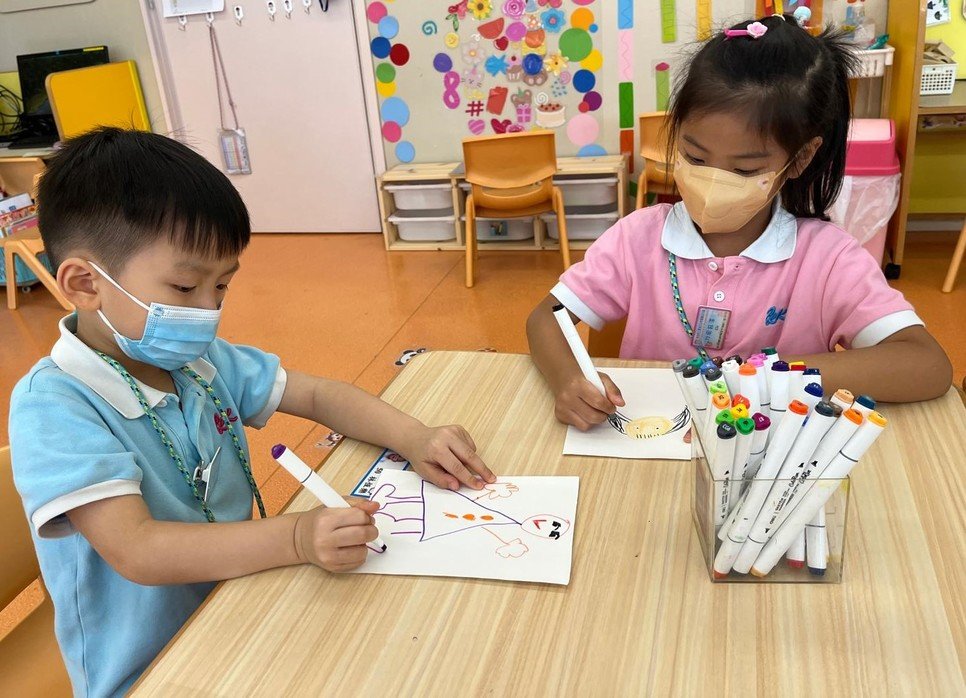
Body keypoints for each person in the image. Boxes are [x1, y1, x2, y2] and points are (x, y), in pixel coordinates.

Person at [8, 127, 495, 696]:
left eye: (222, 287)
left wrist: (414, 436)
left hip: (243, 598)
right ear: (86, 283)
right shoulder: (54, 405)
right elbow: (138, 550)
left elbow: (318, 395)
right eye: (185, 287)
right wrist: (296, 539)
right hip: (152, 667)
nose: (208, 310)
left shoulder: (198, 360)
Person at [527, 16, 951, 430]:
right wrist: (568, 380)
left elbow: (927, 365)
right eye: (695, 157)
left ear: (800, 158)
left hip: (768, 461)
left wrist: (770, 376)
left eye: (745, 170)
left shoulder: (828, 259)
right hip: (653, 443)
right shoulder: (637, 238)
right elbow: (546, 318)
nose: (713, 182)